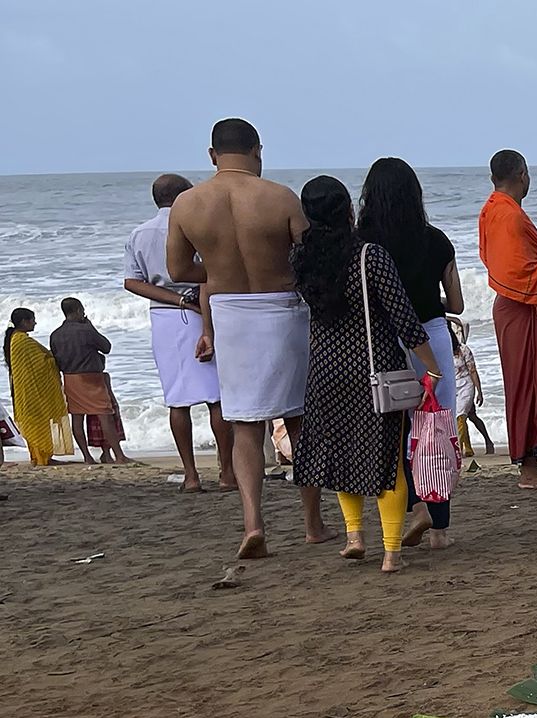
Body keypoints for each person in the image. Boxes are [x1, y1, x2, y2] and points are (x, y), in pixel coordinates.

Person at [166, 118, 331, 557]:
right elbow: (311, 259)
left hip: (230, 314)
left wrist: (220, 270)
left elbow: (178, 270)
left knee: (245, 424)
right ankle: (312, 523)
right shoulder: (280, 197)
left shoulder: (187, 203)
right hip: (282, 310)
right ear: (258, 151)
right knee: (298, 420)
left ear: (212, 154)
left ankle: (253, 523)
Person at [287, 176, 441, 573]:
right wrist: (433, 366)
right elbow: (403, 317)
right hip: (374, 369)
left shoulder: (300, 259)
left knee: (341, 452)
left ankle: (354, 536)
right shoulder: (369, 256)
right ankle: (391, 553)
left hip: (325, 370)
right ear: (349, 211)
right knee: (387, 460)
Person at [358, 157, 463, 548]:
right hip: (431, 337)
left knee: (393, 429)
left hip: (381, 341)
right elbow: (457, 304)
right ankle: (439, 529)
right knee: (435, 428)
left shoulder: (361, 244)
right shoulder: (436, 240)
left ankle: (413, 507)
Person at [125, 173, 233, 489]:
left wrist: (175, 299)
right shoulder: (194, 227)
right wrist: (200, 314)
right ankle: (227, 472)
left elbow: (132, 282)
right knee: (215, 398)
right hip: (202, 309)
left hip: (165, 315)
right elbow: (209, 276)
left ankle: (191, 474)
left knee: (177, 400)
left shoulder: (139, 233)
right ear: (185, 196)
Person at [478, 149, 537, 490]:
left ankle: (534, 464)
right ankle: (528, 470)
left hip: (522, 307)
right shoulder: (507, 214)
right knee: (522, 385)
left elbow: (514, 262)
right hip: (516, 308)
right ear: (522, 174)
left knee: (534, 383)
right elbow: (517, 270)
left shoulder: (496, 209)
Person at [48, 298, 129, 464]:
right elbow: (106, 347)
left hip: (70, 378)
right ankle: (119, 456)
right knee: (105, 415)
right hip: (92, 378)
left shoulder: (55, 334)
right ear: (78, 310)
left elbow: (56, 358)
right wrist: (91, 327)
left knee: (77, 418)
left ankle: (87, 457)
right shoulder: (86, 331)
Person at [4, 308, 72, 465]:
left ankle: (38, 456)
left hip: (24, 391)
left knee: (35, 422)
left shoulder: (16, 339)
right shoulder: (22, 341)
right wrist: (54, 359)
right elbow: (41, 364)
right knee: (39, 421)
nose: (35, 323)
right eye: (32, 320)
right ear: (24, 322)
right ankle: (43, 457)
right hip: (31, 391)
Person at [448, 318, 494, 457]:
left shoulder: (463, 349)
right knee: (469, 416)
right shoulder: (443, 351)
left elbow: (472, 370)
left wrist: (479, 391)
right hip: (454, 387)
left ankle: (460, 450)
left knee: (461, 416)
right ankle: (469, 448)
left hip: (466, 385)